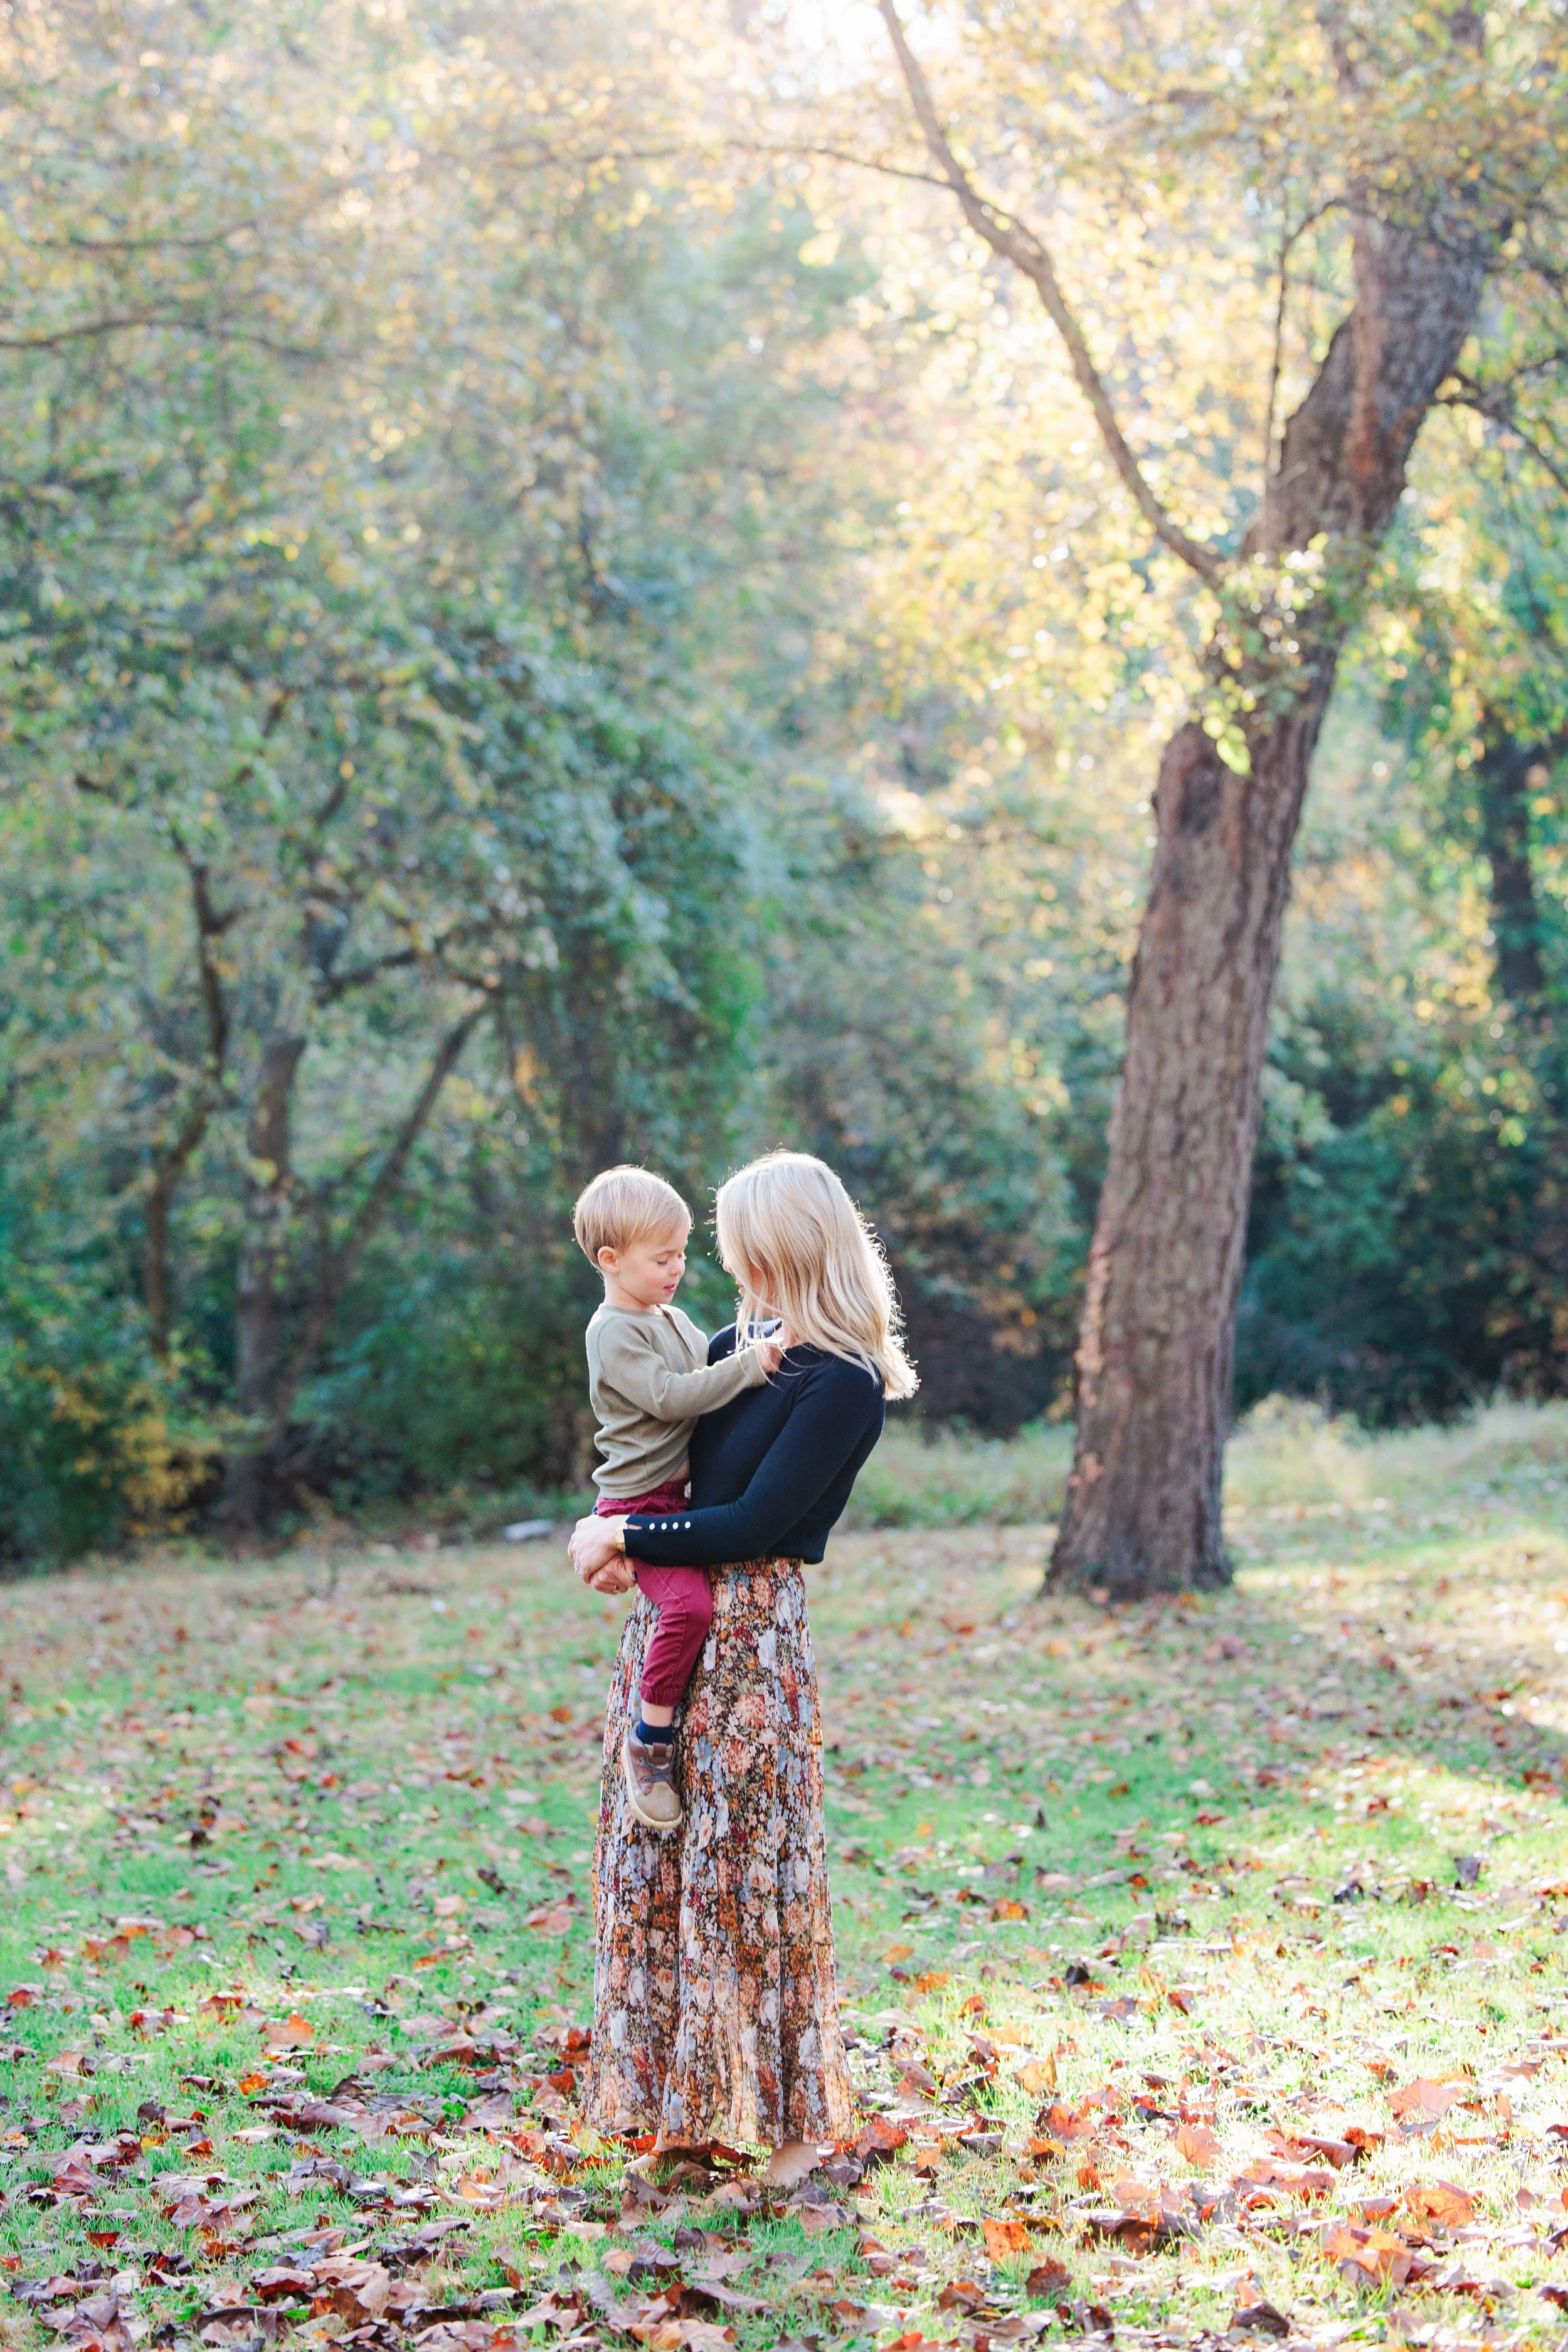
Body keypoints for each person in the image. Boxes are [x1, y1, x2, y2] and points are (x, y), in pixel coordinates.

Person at [568, 1148, 918, 2156]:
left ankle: (794, 2131)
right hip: (673, 1632)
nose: (719, 1264)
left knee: (748, 1882)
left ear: (786, 1244)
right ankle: (679, 2116)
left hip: (754, 1640)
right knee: (654, 1876)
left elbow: (755, 1519)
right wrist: (605, 1527)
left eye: (734, 1244)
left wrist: (623, 1539)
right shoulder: (732, 1342)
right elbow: (659, 1470)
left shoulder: (841, 1382)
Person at [573, 1164, 781, 1835]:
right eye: (662, 1257)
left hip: (675, 1497)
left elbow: (717, 1358)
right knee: (689, 1609)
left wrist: (780, 1336)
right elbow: (673, 1395)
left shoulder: (672, 1316)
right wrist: (754, 1365)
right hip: (638, 1507)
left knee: (696, 1603)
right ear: (610, 1260)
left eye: (682, 1253)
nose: (679, 1268)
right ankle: (650, 1740)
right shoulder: (612, 1331)